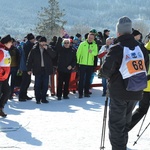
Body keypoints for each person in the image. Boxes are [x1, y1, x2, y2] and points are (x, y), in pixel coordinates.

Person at [100, 16, 149, 150]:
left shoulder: (117, 48)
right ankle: (122, 145)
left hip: (119, 92)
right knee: (125, 123)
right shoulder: (141, 48)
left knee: (116, 124)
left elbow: (106, 71)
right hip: (136, 91)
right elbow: (145, 66)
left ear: (118, 32)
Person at [27, 36, 56, 104]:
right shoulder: (34, 49)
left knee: (45, 85)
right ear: (39, 42)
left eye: (44, 42)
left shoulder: (48, 48)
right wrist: (29, 69)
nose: (43, 43)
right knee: (37, 84)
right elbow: (29, 60)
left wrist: (47, 49)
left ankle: (43, 98)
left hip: (46, 69)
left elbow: (54, 55)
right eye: (41, 42)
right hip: (37, 69)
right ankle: (37, 98)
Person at [129, 39, 150, 131]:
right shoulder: (143, 50)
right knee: (142, 110)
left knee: (141, 110)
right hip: (145, 86)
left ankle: (124, 130)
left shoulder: (141, 50)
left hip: (144, 86)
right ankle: (124, 129)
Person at [77, 32, 98, 98]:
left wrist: (91, 52)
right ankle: (80, 93)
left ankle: (86, 92)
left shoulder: (95, 45)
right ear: (87, 37)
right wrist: (78, 62)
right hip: (82, 64)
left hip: (90, 64)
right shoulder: (82, 44)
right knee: (81, 79)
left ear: (93, 38)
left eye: (92, 38)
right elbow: (78, 53)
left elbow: (95, 53)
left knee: (88, 79)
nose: (90, 39)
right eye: (89, 37)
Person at [18, 33, 35, 101]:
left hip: (25, 66)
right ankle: (21, 96)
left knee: (27, 81)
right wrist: (29, 67)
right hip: (26, 66)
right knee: (25, 81)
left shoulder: (26, 44)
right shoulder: (28, 46)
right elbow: (28, 58)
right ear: (31, 39)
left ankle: (24, 95)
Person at [0, 35, 13, 117]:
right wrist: (1, 72)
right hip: (1, 76)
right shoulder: (1, 51)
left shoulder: (5, 50)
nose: (11, 44)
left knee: (7, 91)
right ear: (6, 43)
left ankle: (0, 108)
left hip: (4, 77)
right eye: (10, 42)